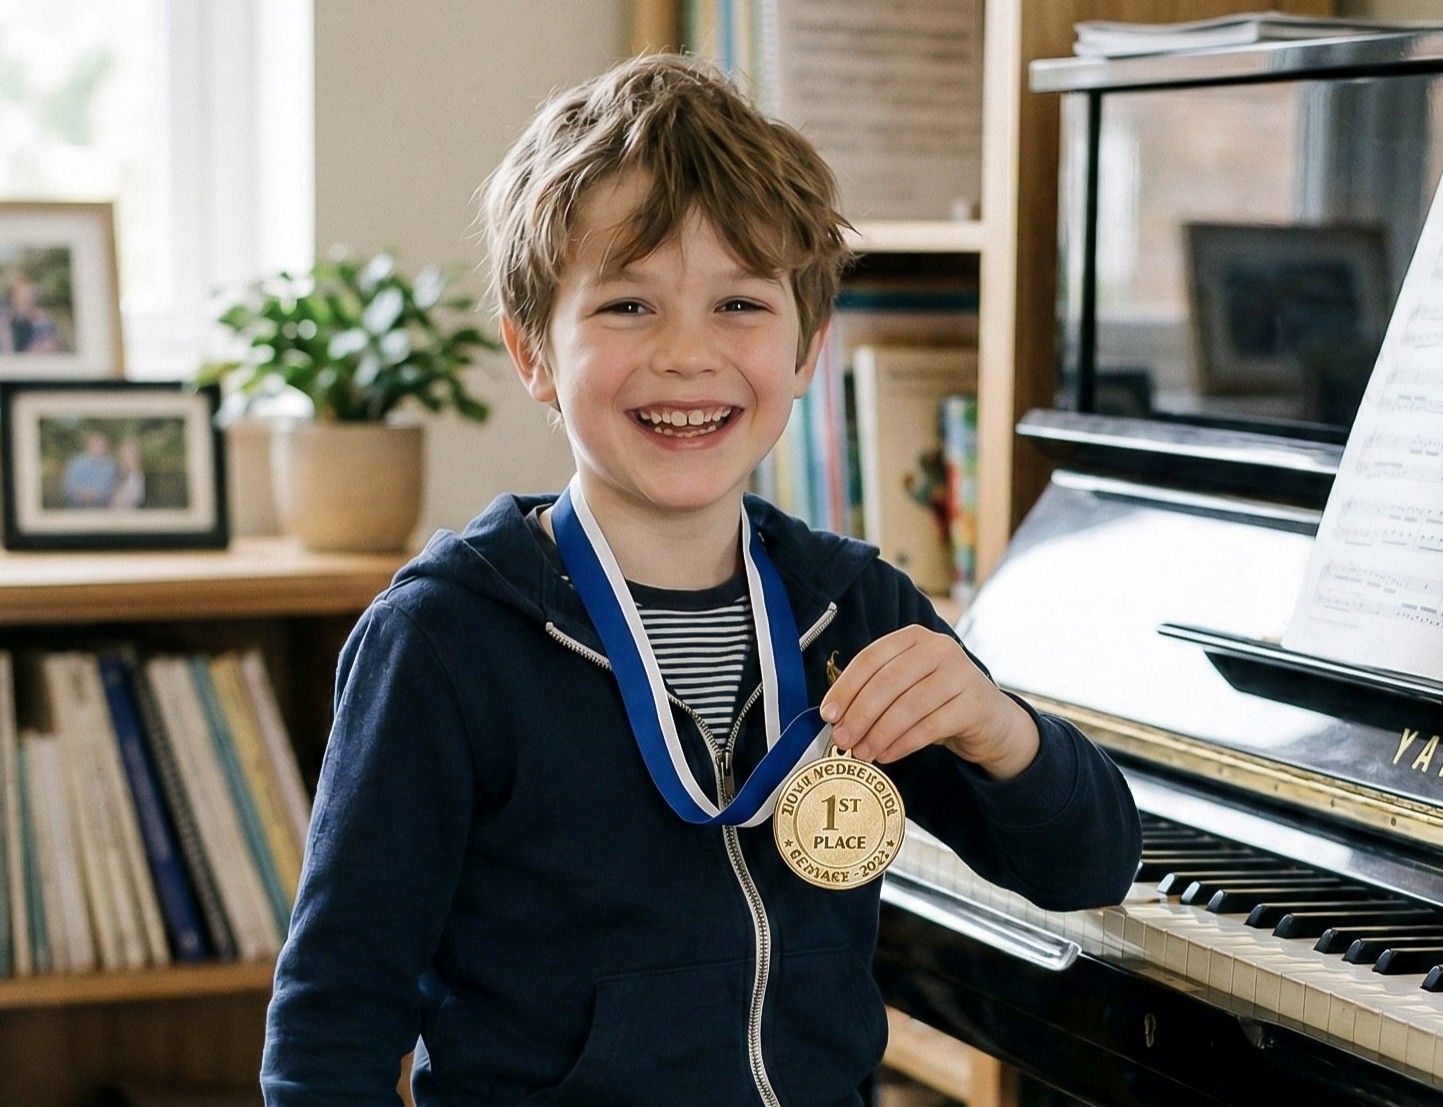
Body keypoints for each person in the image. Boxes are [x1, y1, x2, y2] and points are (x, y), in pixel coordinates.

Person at [261, 54, 1141, 1107]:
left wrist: (1003, 732)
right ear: (532, 352)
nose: (687, 355)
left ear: (809, 347)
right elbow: (330, 1029)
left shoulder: (850, 607)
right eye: (628, 306)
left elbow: (1089, 868)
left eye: (739, 305)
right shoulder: (444, 642)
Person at [61, 429, 119, 508]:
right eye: (95, 444)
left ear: (105, 446)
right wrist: (81, 494)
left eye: (101, 444)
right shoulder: (76, 462)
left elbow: (110, 488)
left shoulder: (110, 465)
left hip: (100, 507)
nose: (98, 447)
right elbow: (68, 485)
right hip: (75, 505)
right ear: (89, 445)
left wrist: (93, 495)